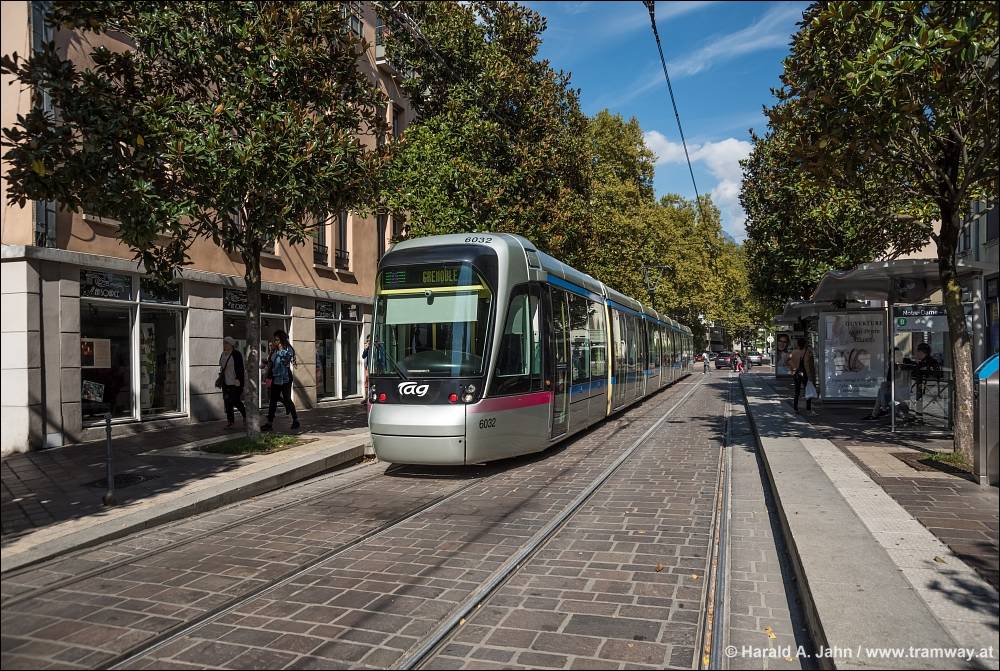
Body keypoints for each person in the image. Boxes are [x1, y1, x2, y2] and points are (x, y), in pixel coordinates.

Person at [261, 330, 300, 432]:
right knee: (273, 400)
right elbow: (271, 362)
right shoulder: (274, 350)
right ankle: (269, 423)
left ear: (282, 339)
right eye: (275, 340)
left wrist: (281, 351)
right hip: (275, 377)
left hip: (286, 378)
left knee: (287, 398)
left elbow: (286, 361)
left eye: (277, 339)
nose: (275, 341)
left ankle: (295, 420)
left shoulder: (288, 349)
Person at [219, 336, 246, 429]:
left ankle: (245, 415)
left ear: (231, 344)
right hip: (225, 382)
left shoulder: (236, 354)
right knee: (227, 402)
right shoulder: (223, 354)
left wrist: (238, 379)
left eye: (226, 343)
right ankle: (230, 421)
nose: (224, 345)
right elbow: (221, 366)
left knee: (235, 401)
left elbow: (240, 368)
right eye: (224, 343)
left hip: (235, 382)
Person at [786, 337, 817, 413]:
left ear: (798, 344)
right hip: (805, 374)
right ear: (805, 344)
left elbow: (788, 360)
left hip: (797, 373)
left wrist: (793, 368)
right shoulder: (808, 352)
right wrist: (812, 376)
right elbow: (811, 365)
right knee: (808, 390)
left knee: (797, 391)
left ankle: (795, 408)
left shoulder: (793, 352)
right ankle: (808, 408)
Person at [360, 334, 371, 405]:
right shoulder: (367, 348)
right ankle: (366, 398)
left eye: (370, 340)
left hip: (375, 368)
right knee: (366, 382)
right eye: (368, 340)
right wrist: (366, 348)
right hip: (367, 367)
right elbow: (363, 356)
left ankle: (371, 397)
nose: (369, 341)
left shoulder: (376, 347)